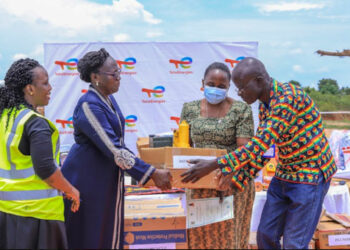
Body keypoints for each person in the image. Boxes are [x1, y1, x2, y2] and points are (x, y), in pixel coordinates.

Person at [181, 57, 337, 249]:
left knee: (294, 244)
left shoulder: (287, 99)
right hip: (285, 174)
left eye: (242, 87)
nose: (239, 93)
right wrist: (235, 182)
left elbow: (259, 144)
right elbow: (265, 152)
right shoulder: (265, 104)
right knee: (265, 236)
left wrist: (214, 164)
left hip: (310, 176)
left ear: (259, 81)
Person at [61, 48, 172, 249]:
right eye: (114, 74)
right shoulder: (89, 105)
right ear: (95, 77)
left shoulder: (107, 99)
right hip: (86, 182)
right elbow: (115, 150)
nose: (119, 77)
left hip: (102, 179)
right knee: (88, 236)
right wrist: (151, 172)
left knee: (104, 232)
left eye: (119, 72)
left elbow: (118, 145)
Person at [0, 58, 80, 249]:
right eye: (45, 83)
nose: (50, 87)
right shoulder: (35, 123)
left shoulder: (5, 117)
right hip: (38, 216)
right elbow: (46, 170)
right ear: (30, 89)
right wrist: (71, 190)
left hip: (5, 212)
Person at [180, 62, 255, 249]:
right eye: (211, 84)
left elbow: (244, 150)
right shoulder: (189, 109)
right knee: (199, 239)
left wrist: (225, 175)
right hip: (199, 183)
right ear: (202, 82)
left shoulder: (241, 110)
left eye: (222, 86)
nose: (216, 89)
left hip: (231, 182)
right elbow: (184, 146)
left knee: (229, 240)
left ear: (229, 87)